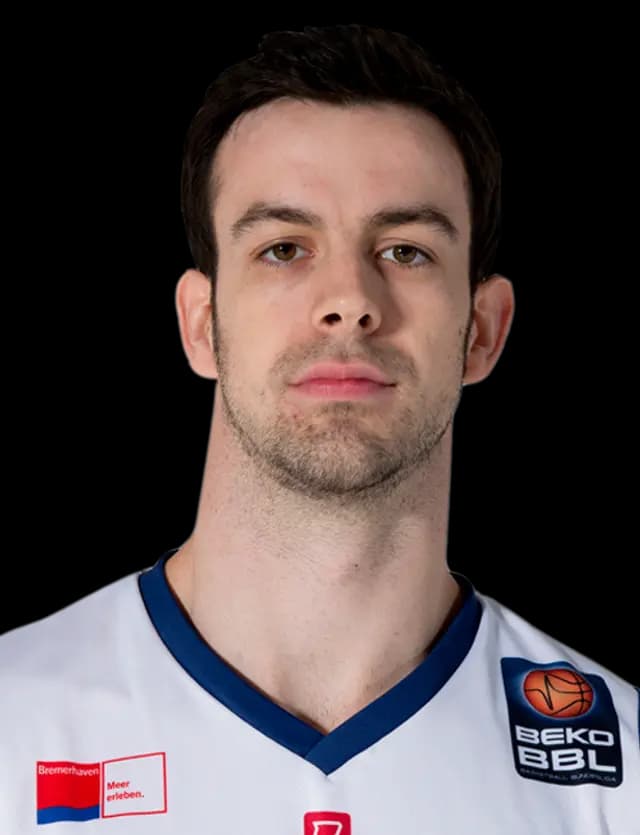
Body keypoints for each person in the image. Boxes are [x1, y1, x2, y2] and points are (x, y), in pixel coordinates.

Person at [1, 23, 637, 834]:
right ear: (201, 324)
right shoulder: (14, 723)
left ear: (483, 330)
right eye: (283, 248)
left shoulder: (622, 773)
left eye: (405, 250)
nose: (349, 299)